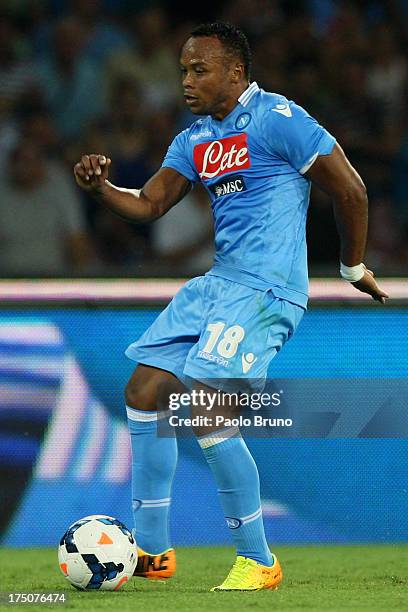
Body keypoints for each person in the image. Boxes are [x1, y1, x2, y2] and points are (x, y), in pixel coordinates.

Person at [74, 22, 388, 592]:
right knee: (144, 391)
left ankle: (259, 560)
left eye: (200, 70)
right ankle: (151, 550)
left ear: (236, 72)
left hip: (265, 290)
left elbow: (351, 189)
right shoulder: (195, 138)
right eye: (183, 71)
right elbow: (148, 204)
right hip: (218, 285)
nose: (187, 81)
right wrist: (102, 191)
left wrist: (351, 267)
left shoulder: (278, 119)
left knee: (206, 410)